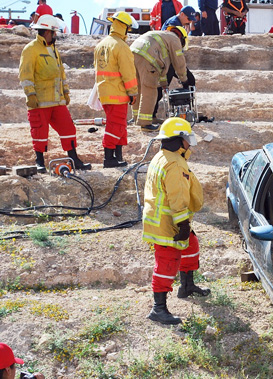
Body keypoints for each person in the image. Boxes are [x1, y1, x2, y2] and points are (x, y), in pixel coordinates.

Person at [143, 117, 210, 325]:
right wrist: (182, 224)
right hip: (168, 222)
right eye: (187, 138)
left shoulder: (164, 156)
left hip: (166, 218)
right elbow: (177, 195)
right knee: (166, 263)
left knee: (191, 247)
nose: (190, 143)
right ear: (179, 139)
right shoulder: (174, 163)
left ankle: (187, 286)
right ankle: (158, 309)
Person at [18, 14, 91, 173]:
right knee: (40, 133)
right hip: (39, 101)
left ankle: (74, 159)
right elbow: (25, 75)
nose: (55, 35)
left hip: (57, 102)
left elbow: (61, 73)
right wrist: (30, 95)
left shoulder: (53, 50)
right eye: (53, 32)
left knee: (69, 129)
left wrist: (65, 92)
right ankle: (39, 162)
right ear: (46, 32)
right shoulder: (30, 50)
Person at [94, 11, 138, 168]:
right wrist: (133, 92)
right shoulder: (121, 47)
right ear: (124, 27)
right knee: (117, 126)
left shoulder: (101, 45)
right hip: (117, 92)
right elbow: (128, 73)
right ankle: (109, 158)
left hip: (105, 92)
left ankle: (118, 157)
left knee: (118, 125)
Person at [130, 26, 191, 131]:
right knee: (150, 90)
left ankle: (137, 119)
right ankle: (145, 123)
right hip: (147, 58)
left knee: (138, 88)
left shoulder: (161, 36)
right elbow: (179, 62)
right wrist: (184, 79)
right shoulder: (174, 39)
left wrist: (164, 84)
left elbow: (162, 66)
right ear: (182, 38)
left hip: (132, 54)